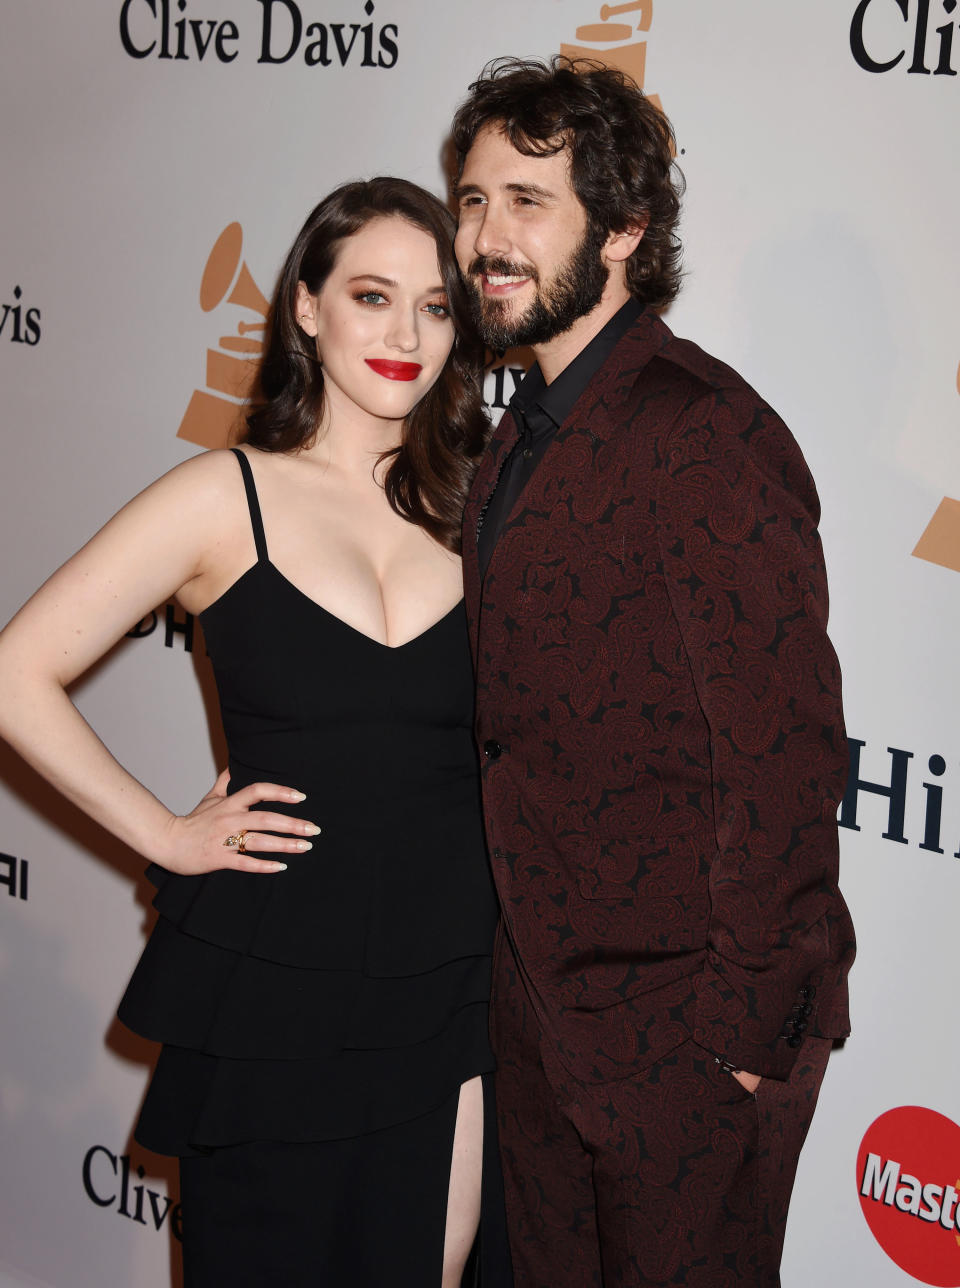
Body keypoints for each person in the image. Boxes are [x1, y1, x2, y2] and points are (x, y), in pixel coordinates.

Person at [0, 178, 514, 1287]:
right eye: (372, 296)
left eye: (435, 308)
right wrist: (167, 834)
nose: (405, 335)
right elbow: (15, 673)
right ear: (306, 308)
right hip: (276, 984)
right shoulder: (220, 496)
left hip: (452, 978)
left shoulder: (482, 512)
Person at [449, 57, 855, 1287]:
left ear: (623, 230)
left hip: (687, 1043)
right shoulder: (514, 438)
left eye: (527, 202)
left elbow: (785, 761)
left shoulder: (703, 431)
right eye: (470, 201)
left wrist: (731, 1043)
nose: (485, 238)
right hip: (545, 1026)